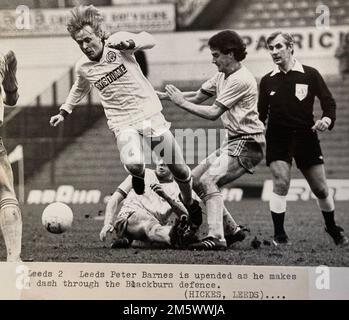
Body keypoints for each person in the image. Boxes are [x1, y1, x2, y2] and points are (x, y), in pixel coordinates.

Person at [49, 5, 202, 229]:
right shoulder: (83, 67)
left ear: (99, 34)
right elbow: (79, 88)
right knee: (134, 164)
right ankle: (138, 177)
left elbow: (148, 39)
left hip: (148, 114)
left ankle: (189, 202)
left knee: (177, 167)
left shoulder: (117, 42)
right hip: (121, 122)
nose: (85, 46)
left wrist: (130, 44)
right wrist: (64, 111)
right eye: (79, 42)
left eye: (88, 39)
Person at [159, 30, 265, 250]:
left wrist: (180, 102)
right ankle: (232, 230)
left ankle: (217, 236)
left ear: (231, 54)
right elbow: (198, 96)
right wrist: (168, 96)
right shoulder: (221, 76)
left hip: (249, 143)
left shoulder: (241, 80)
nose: (213, 59)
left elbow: (213, 112)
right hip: (234, 141)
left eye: (216, 55)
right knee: (194, 180)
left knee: (209, 181)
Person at [258, 31, 348, 247]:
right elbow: (260, 115)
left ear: (290, 47)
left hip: (306, 137)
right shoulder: (267, 81)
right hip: (278, 139)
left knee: (321, 190)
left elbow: (329, 103)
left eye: (278, 46)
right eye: (270, 48)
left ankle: (332, 227)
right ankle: (280, 236)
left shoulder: (310, 74)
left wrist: (327, 119)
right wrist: (257, 131)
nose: (274, 52)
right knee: (281, 183)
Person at [99, 162, 194, 248]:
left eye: (165, 161)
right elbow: (114, 199)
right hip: (129, 217)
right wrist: (108, 223)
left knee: (155, 235)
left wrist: (166, 196)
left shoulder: (177, 187)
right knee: (149, 225)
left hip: (154, 226)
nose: (161, 163)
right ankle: (175, 238)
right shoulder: (141, 174)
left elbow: (184, 215)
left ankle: (131, 241)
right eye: (159, 159)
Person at [0, 50, 22, 262]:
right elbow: (12, 98)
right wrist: (11, 72)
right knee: (5, 193)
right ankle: (14, 259)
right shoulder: (4, 55)